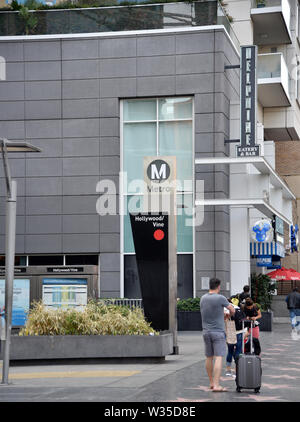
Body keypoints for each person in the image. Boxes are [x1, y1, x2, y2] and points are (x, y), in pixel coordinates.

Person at [200, 278, 235, 392]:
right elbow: (232, 310)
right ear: (218, 286)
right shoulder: (220, 298)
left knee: (209, 357)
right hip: (218, 332)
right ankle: (216, 385)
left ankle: (211, 383)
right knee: (219, 357)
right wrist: (228, 315)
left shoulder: (203, 298)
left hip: (206, 332)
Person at [225, 296, 246, 377]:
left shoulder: (225, 308)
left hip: (231, 332)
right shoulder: (237, 308)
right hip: (240, 332)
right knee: (238, 351)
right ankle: (236, 371)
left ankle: (228, 370)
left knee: (230, 351)